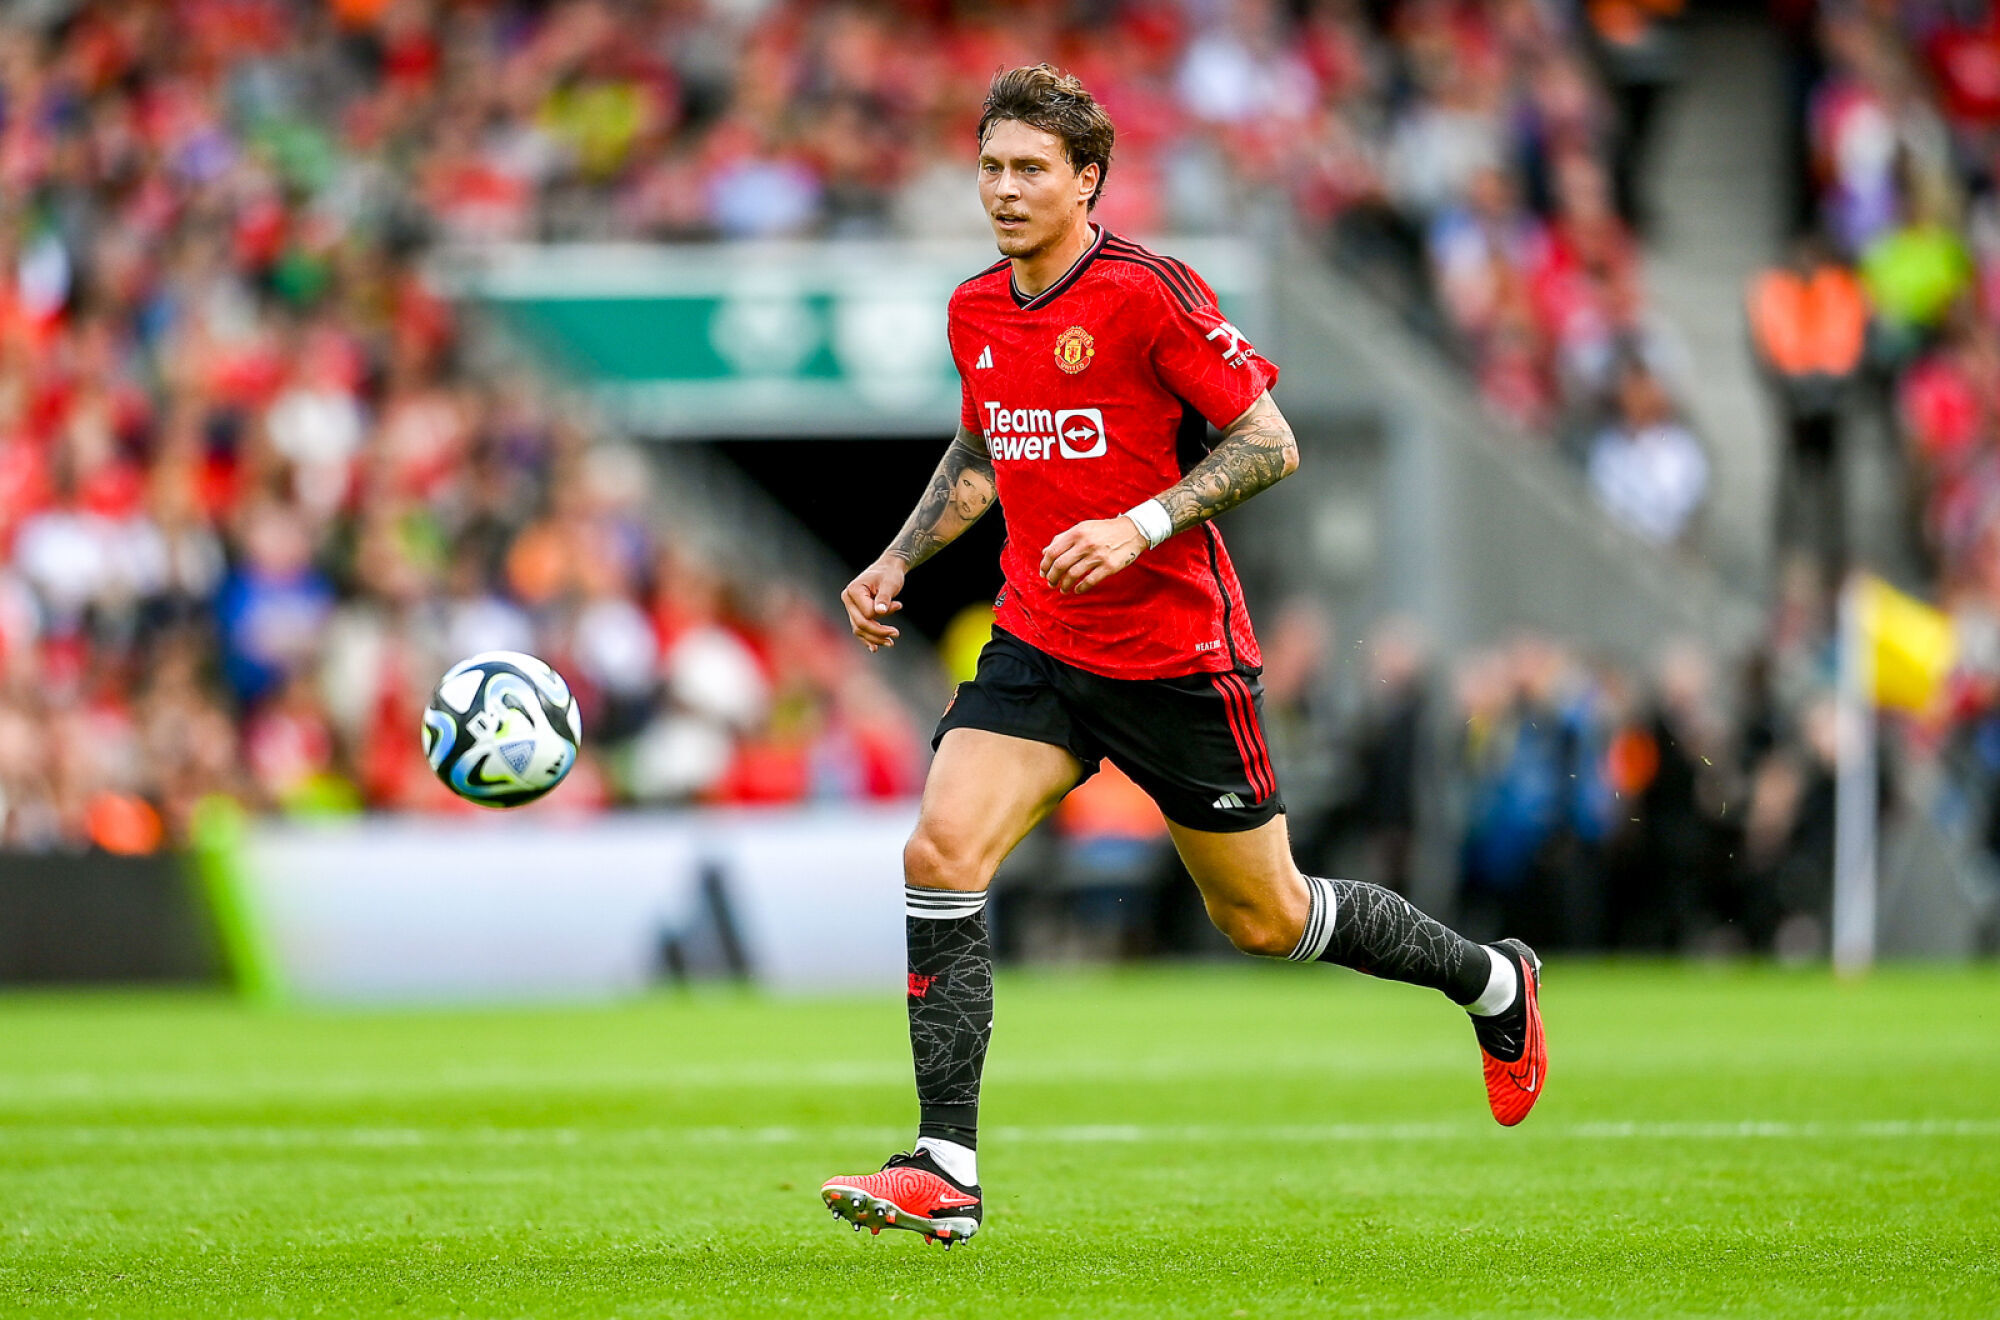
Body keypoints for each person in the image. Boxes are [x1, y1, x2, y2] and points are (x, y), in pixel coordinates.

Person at [817, 65, 1548, 1249]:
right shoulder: (975, 309)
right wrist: (896, 558)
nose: (1002, 189)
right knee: (939, 850)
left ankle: (1493, 982)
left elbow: (1269, 441)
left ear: (1086, 180)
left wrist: (1140, 523)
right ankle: (944, 1165)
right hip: (1039, 642)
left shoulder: (1149, 292)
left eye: (1029, 169)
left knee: (1265, 917)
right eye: (990, 167)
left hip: (1173, 657)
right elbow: (983, 449)